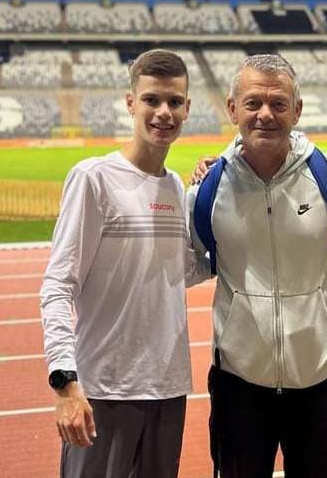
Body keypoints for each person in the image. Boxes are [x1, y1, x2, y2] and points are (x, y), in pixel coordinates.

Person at [188, 54, 327, 478]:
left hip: (321, 376)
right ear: (233, 109)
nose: (265, 114)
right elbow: (192, 264)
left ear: (296, 111)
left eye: (278, 103)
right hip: (239, 380)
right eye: (253, 103)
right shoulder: (208, 188)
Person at [39, 49, 210, 478]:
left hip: (168, 388)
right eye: (152, 100)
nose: (164, 112)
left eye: (174, 102)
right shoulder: (94, 179)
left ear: (187, 108)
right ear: (131, 103)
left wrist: (226, 214)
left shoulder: (175, 187)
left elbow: (182, 272)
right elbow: (58, 285)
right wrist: (65, 382)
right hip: (105, 389)